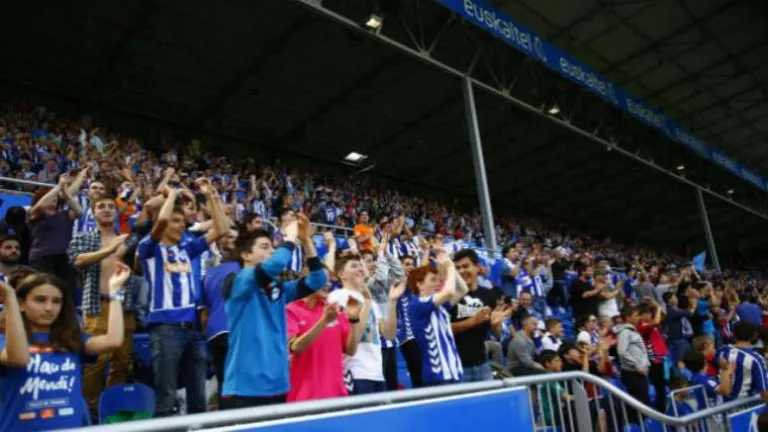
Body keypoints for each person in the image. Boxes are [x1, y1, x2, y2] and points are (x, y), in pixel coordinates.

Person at [137, 181, 229, 417]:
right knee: (166, 396)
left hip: (194, 329)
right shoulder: (149, 248)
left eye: (182, 221)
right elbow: (161, 221)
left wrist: (211, 196)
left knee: (198, 396)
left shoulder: (187, 249)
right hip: (165, 329)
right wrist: (173, 193)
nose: (181, 225)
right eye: (175, 221)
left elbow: (221, 228)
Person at [0, 265, 129, 431]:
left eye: (56, 301)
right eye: (40, 300)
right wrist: (10, 299)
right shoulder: (4, 340)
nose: (49, 308)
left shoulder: (71, 340)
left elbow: (114, 340)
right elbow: (19, 359)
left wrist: (115, 292)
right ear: (21, 304)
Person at [222, 214, 326, 409]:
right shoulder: (237, 281)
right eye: (264, 247)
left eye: (272, 247)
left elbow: (318, 280)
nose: (271, 251)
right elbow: (274, 266)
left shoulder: (278, 289)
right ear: (246, 255)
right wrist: (289, 240)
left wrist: (306, 241)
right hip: (245, 387)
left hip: (278, 384)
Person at [67, 195, 137, 420]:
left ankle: (111, 411)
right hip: (96, 305)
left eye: (110, 206)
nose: (106, 209)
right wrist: (111, 249)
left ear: (116, 212)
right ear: (93, 211)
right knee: (95, 364)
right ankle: (90, 413)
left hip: (124, 306)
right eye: (101, 206)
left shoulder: (127, 239)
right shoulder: (84, 237)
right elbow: (77, 260)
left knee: (122, 362)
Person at [286, 277, 375, 402]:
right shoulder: (291, 310)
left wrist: (353, 320)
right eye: (323, 280)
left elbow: (351, 350)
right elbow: (296, 347)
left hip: (337, 394)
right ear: (310, 282)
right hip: (304, 397)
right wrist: (324, 321)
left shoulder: (334, 310)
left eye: (328, 280)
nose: (328, 284)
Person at [407, 252, 468, 386]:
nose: (438, 283)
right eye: (433, 280)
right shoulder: (416, 305)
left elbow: (462, 289)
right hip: (437, 375)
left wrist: (451, 266)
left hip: (453, 372)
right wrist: (449, 268)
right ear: (419, 284)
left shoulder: (440, 306)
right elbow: (449, 292)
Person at [452, 249, 509, 382]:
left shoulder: (489, 295)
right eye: (457, 268)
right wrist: (473, 321)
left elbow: (497, 334)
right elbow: (444, 329)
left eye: (465, 266)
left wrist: (496, 325)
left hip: (483, 365)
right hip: (457, 367)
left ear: (477, 267)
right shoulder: (450, 296)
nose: (461, 271)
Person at [200, 228, 240, 399]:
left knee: (224, 386)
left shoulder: (209, 272)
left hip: (214, 333)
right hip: (236, 331)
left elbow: (204, 313)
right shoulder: (244, 270)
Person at [28, 175, 82, 293]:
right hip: (42, 257)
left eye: (55, 200)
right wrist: (59, 185)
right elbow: (41, 205)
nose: (53, 202)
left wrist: (65, 192)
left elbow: (79, 211)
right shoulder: (35, 214)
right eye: (50, 200)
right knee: (42, 290)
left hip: (65, 258)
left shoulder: (65, 215)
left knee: (66, 293)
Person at [715, 321, 768, 401]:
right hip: (745, 405)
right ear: (754, 336)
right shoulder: (756, 359)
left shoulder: (722, 350)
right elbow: (764, 392)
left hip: (721, 402)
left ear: (733, 334)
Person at [615, 306, 651, 423]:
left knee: (644, 402)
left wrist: (645, 365)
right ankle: (637, 426)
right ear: (628, 317)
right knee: (639, 405)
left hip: (640, 372)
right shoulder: (625, 332)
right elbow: (622, 352)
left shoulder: (632, 331)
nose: (638, 318)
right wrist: (637, 366)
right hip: (633, 373)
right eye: (636, 315)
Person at [636, 300, 669, 413]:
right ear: (641, 315)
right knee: (658, 385)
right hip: (652, 359)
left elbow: (663, 315)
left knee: (661, 385)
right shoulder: (641, 326)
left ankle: (662, 408)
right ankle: (659, 411)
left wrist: (656, 304)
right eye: (647, 313)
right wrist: (658, 307)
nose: (650, 315)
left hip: (658, 358)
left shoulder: (650, 323)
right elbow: (656, 321)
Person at [537, 350, 574, 431]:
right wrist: (581, 397)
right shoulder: (548, 378)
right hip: (550, 416)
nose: (561, 363)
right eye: (557, 361)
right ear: (548, 364)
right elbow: (566, 397)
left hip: (555, 413)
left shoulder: (549, 376)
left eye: (560, 360)